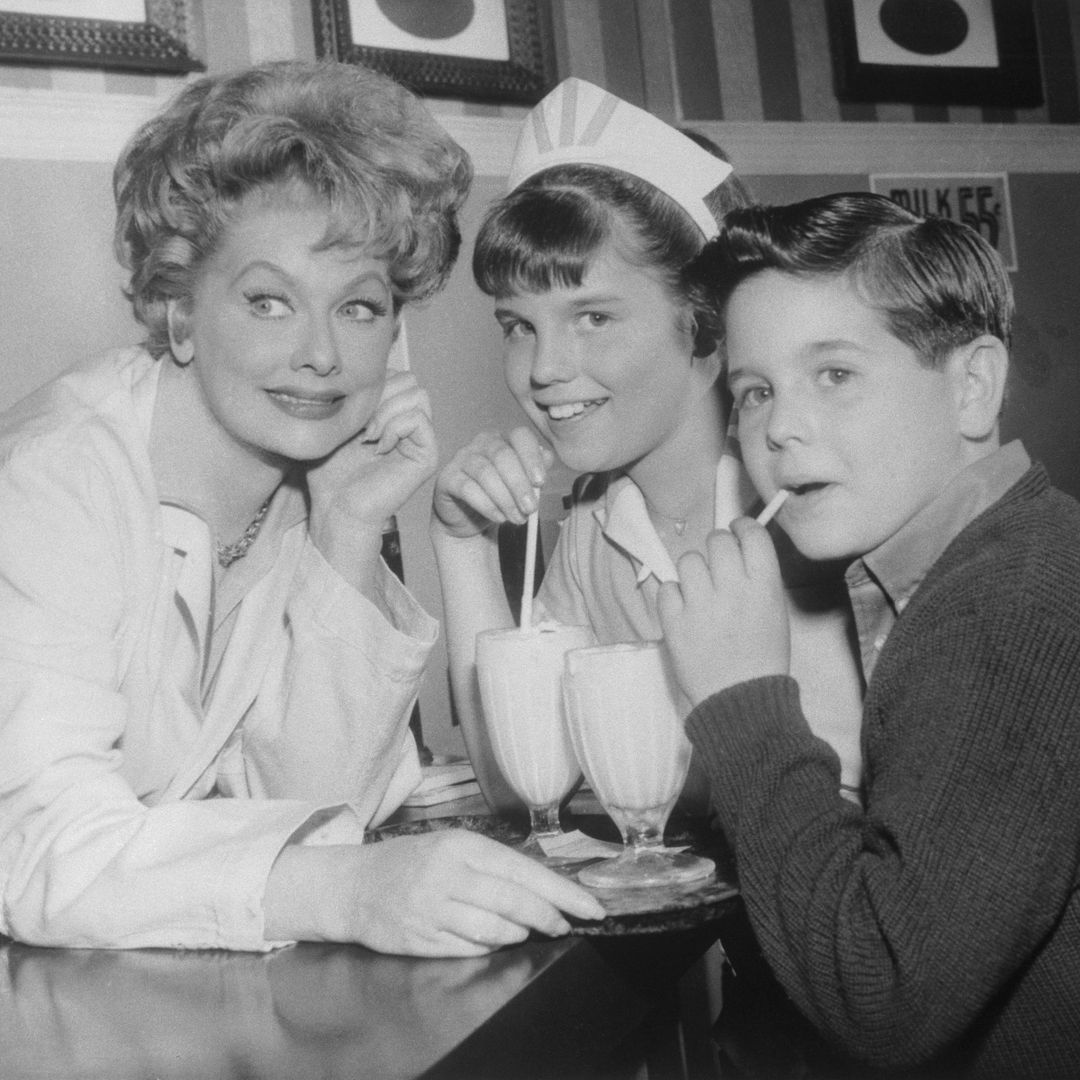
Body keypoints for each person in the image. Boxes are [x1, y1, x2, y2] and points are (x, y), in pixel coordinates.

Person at [0, 59, 604, 956]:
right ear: (178, 307)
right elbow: (39, 852)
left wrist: (347, 532)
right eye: (269, 301)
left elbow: (320, 802)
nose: (322, 355)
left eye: (359, 308)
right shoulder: (50, 482)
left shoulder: (302, 477)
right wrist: (346, 893)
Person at [659, 192, 1080, 1078]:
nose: (780, 426)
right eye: (754, 392)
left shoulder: (1003, 604)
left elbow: (883, 995)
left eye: (835, 375)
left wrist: (742, 700)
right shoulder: (1012, 556)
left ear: (973, 387)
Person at [431, 77, 863, 813]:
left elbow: (843, 811)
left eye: (592, 317)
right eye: (518, 326)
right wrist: (459, 542)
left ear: (705, 323)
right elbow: (519, 784)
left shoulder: (810, 518)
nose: (542, 370)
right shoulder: (595, 528)